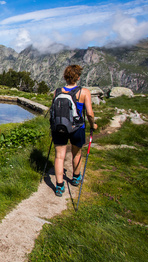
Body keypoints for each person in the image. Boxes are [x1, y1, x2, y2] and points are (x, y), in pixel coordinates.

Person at [52, 65, 98, 197]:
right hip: (77, 127)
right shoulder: (84, 92)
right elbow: (89, 113)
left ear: (65, 77)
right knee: (76, 154)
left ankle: (59, 186)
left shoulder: (58, 91)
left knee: (59, 156)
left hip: (59, 127)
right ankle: (76, 178)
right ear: (78, 77)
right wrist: (92, 125)